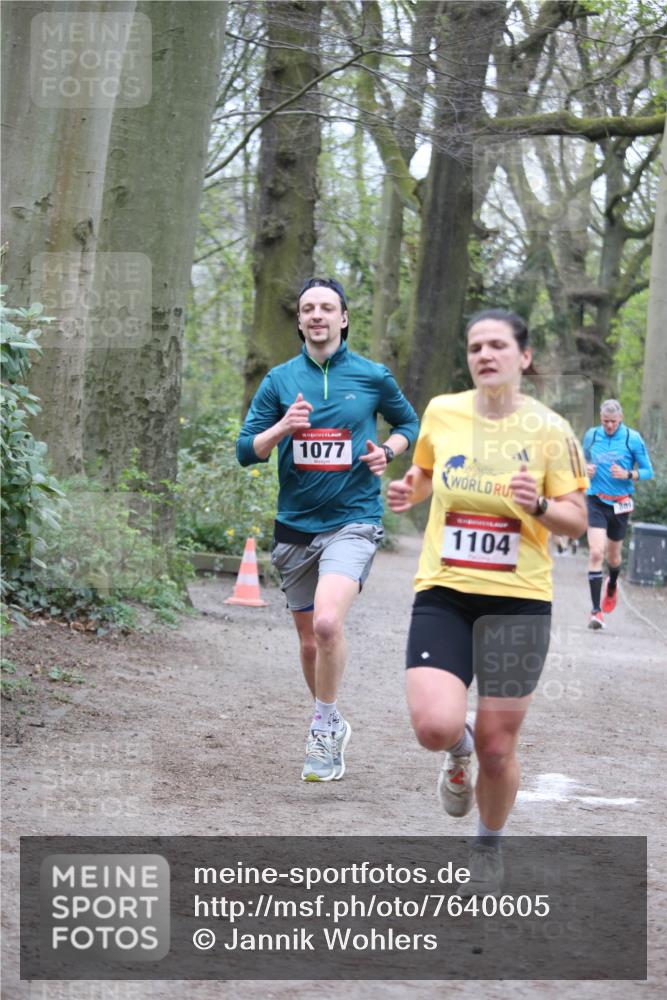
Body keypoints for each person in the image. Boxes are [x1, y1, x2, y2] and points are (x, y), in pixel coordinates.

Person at [387, 308, 588, 895]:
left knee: (499, 749)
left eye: (497, 345)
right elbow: (426, 472)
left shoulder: (552, 429)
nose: (485, 355)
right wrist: (408, 490)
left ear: (523, 357)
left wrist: (540, 507)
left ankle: (487, 846)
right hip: (445, 591)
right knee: (435, 726)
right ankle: (457, 750)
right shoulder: (442, 411)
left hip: (518, 602)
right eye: (475, 346)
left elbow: (577, 519)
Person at [237, 277, 419, 782]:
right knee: (309, 643)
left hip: (353, 521)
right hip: (295, 527)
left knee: (326, 623)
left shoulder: (372, 376)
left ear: (343, 318)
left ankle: (319, 728)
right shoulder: (279, 381)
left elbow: (409, 424)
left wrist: (389, 451)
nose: (317, 315)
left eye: (326, 307)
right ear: (299, 321)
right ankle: (332, 720)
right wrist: (282, 428)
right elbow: (246, 450)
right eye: (308, 308)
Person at [582, 399, 654, 630]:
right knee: (596, 552)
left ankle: (612, 584)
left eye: (613, 421)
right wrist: (584, 470)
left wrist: (628, 474)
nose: (609, 426)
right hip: (595, 500)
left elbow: (648, 471)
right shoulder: (592, 436)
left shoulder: (632, 438)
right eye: (605, 421)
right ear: (600, 418)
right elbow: (579, 463)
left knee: (613, 558)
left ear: (620, 419)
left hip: (620, 504)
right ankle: (596, 611)